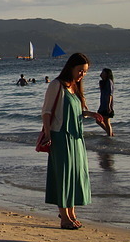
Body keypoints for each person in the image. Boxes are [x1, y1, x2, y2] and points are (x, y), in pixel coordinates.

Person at [40, 52, 103, 230]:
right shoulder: (56, 85)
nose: (82, 74)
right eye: (80, 70)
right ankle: (64, 217)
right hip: (60, 136)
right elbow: (46, 112)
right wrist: (47, 132)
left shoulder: (74, 87)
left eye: (85, 72)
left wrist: (92, 114)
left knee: (75, 176)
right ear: (71, 68)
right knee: (63, 177)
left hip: (76, 138)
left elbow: (77, 112)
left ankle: (72, 214)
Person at [96, 68, 115, 136]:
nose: (101, 74)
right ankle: (109, 133)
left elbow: (110, 94)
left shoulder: (109, 82)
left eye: (103, 72)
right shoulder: (102, 82)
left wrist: (109, 106)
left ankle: (109, 135)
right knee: (98, 120)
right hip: (102, 104)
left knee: (106, 121)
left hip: (107, 104)